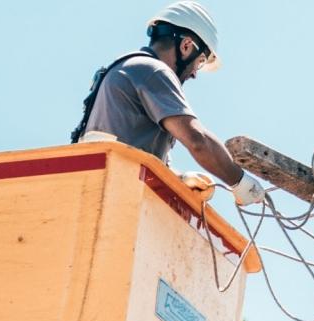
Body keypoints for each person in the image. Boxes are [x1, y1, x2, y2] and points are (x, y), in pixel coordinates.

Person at [73, 1, 266, 206]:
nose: (194, 74)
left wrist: (179, 178)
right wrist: (240, 181)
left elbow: (131, 146)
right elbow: (197, 140)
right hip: (113, 194)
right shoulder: (153, 70)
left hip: (96, 190)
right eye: (200, 62)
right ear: (186, 46)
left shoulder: (131, 68)